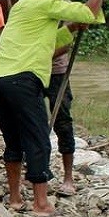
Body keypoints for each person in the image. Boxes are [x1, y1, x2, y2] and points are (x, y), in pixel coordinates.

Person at [0, 0, 109, 217]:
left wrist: (70, 28)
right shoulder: (47, 3)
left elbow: (47, 44)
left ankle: (15, 198)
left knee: (14, 141)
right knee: (38, 139)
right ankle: (40, 203)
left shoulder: (23, 6)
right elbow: (89, 12)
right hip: (23, 80)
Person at [46, 25, 78, 196]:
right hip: (32, 71)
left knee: (63, 123)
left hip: (57, 74)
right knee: (31, 122)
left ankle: (68, 177)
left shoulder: (63, 8)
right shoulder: (28, 2)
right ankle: (39, 169)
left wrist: (37, 55)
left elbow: (65, 44)